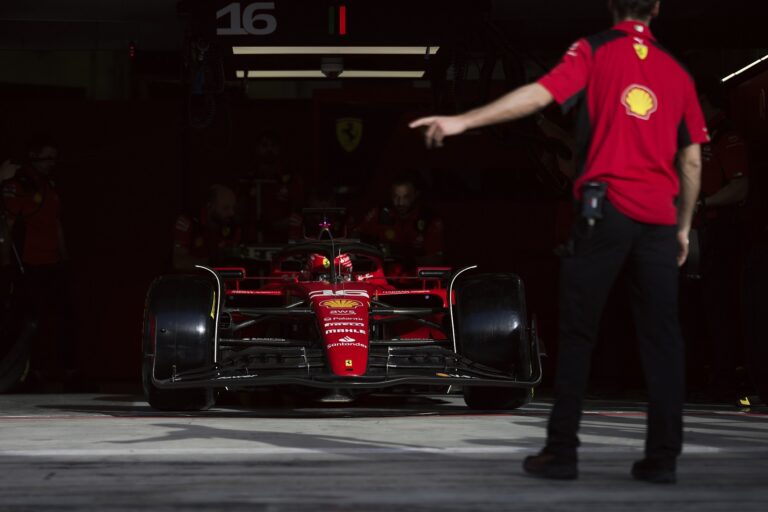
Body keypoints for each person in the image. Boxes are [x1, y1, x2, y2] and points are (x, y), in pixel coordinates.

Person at [410, 0, 707, 484]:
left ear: (613, 5)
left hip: (603, 214)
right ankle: (663, 459)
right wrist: (682, 226)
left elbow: (539, 94)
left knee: (578, 334)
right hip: (657, 220)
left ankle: (563, 452)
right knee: (662, 340)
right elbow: (691, 162)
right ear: (656, 9)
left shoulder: (593, 52)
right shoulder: (677, 73)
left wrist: (465, 121)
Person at [1, 135, 78, 381]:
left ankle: (67, 371)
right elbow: (7, 228)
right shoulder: (17, 186)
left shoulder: (50, 186)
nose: (51, 163)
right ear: (33, 157)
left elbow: (57, 224)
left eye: (54, 158)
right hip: (29, 267)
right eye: (47, 157)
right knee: (29, 319)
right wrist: (6, 267)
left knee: (64, 317)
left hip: (54, 265)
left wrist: (65, 259)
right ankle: (29, 372)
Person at [354, 176, 444, 270]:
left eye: (406, 197)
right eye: (396, 197)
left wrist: (406, 257)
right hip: (384, 277)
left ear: (416, 195)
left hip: (416, 278)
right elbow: (356, 239)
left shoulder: (429, 219)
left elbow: (437, 260)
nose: (400, 203)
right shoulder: (380, 214)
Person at [173, 184, 242, 269]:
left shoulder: (233, 227)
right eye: (226, 208)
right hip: (191, 279)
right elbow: (179, 261)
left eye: (233, 208)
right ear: (210, 206)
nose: (232, 213)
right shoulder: (188, 221)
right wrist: (210, 264)